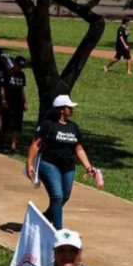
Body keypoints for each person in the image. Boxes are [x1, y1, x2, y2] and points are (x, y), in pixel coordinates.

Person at [26, 95, 96, 230]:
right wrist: (29, 163)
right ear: (61, 109)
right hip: (49, 164)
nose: (71, 109)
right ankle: (58, 231)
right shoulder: (48, 124)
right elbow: (35, 144)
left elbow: (78, 148)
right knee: (57, 196)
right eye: (69, 107)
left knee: (65, 196)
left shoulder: (73, 127)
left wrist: (88, 166)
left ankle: (45, 218)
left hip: (68, 166)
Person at [2, 56, 28, 153]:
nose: (20, 68)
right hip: (8, 102)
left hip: (18, 103)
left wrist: (24, 102)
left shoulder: (22, 75)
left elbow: (22, 89)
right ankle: (3, 140)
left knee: (17, 124)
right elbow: (2, 88)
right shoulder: (7, 73)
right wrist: (3, 100)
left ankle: (13, 145)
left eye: (21, 67)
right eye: (18, 66)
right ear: (14, 64)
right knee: (6, 122)